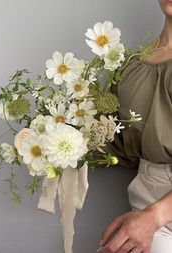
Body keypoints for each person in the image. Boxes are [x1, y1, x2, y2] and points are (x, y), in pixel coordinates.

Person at [97, 1, 172, 252]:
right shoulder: (130, 64)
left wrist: (155, 217)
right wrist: (56, 136)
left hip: (158, 213)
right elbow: (117, 143)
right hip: (146, 197)